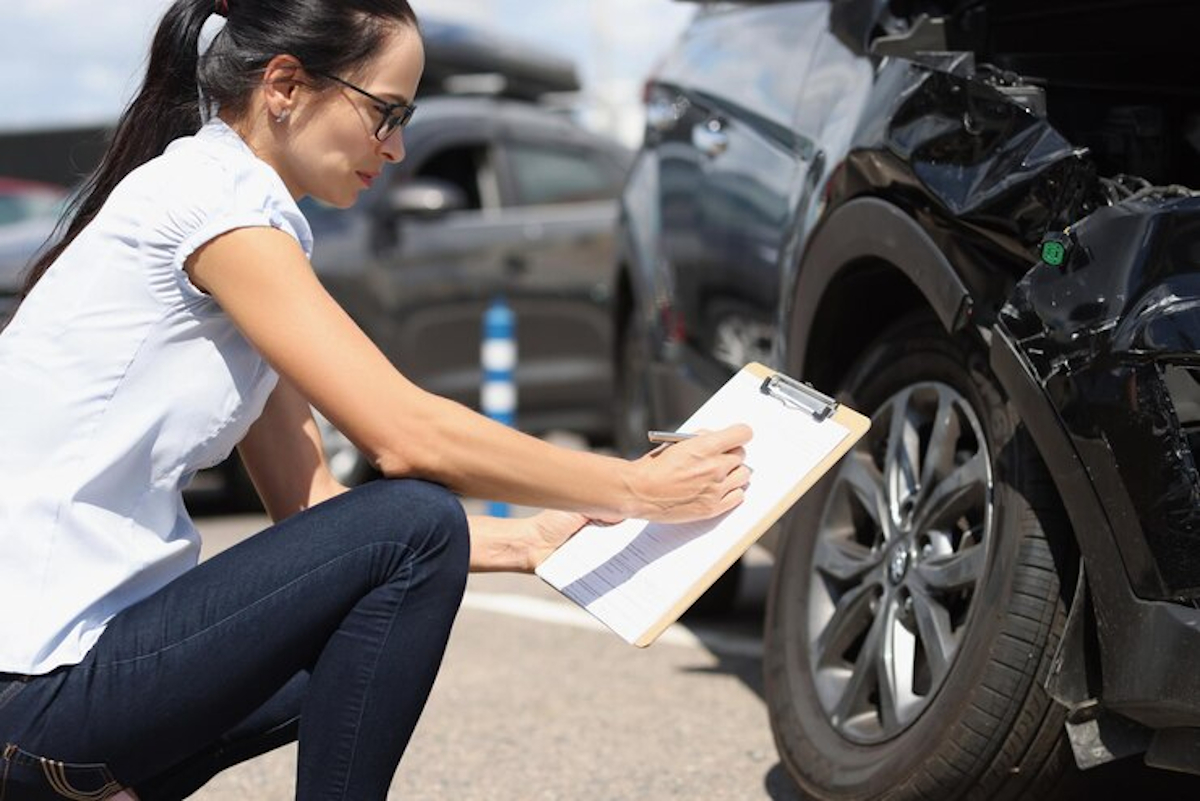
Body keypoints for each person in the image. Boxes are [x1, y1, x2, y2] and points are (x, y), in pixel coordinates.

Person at [0, 1, 751, 798]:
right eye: (385, 113)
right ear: (285, 85)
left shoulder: (229, 211)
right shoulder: (212, 203)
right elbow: (404, 437)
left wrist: (527, 541)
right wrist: (635, 487)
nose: (395, 147)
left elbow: (312, 506)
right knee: (414, 522)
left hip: (61, 682)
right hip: (35, 685)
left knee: (376, 594)